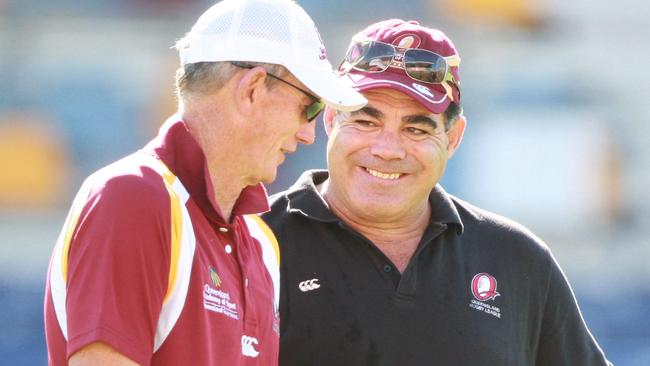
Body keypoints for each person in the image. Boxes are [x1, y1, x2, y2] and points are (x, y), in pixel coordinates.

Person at [261, 19, 613, 365]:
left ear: (453, 138)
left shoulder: (517, 258)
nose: (388, 149)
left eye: (416, 129)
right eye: (366, 121)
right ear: (330, 119)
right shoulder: (254, 241)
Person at [43, 0, 366, 364]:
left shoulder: (260, 242)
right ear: (254, 89)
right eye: (309, 107)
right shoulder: (133, 197)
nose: (309, 134)